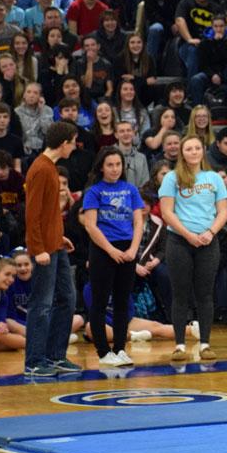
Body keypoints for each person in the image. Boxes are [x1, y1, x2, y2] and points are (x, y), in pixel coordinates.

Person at [158, 135, 227, 361]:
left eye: (197, 148)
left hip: (208, 242)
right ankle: (179, 345)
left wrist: (210, 233)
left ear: (203, 151)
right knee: (180, 294)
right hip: (179, 241)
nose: (194, 152)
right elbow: (167, 212)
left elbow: (223, 211)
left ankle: (205, 344)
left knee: (205, 294)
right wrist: (188, 235)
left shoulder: (214, 178)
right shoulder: (172, 177)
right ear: (182, 152)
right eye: (188, 148)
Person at [23, 122, 82, 376]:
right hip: (44, 250)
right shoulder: (41, 169)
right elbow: (32, 214)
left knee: (67, 300)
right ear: (63, 143)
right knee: (42, 304)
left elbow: (49, 213)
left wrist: (59, 237)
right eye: (73, 141)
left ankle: (56, 355)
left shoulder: (51, 168)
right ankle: (35, 361)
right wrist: (38, 249)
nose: (75, 146)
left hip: (55, 245)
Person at [82, 147, 145, 367]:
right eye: (110, 165)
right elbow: (90, 226)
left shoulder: (130, 190)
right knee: (99, 303)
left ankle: (120, 349)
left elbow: (138, 222)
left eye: (118, 164)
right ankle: (103, 352)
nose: (115, 169)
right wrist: (111, 250)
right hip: (102, 250)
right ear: (101, 166)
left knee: (122, 302)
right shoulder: (94, 191)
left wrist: (133, 250)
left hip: (127, 250)